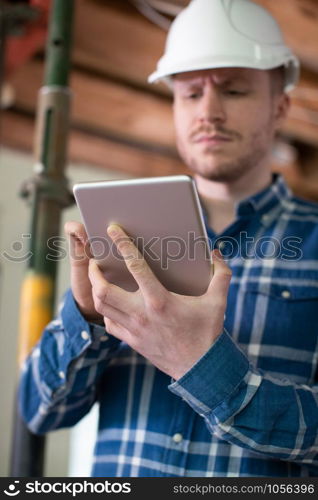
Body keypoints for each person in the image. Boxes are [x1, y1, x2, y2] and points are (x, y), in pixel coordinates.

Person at [19, 0, 318, 477]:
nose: (210, 112)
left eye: (234, 90)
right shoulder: (121, 235)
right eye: (190, 93)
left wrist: (204, 368)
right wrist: (88, 319)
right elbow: (40, 412)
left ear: (280, 105)